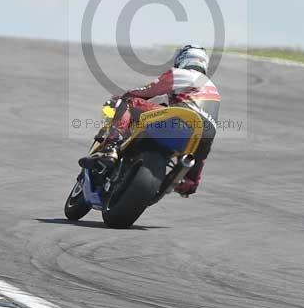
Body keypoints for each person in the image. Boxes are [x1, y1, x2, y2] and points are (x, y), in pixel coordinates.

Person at [80, 44, 221, 197]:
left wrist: (124, 95)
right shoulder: (214, 90)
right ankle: (186, 182)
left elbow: (148, 91)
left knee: (127, 102)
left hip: (183, 116)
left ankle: (111, 148)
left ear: (183, 59)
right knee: (191, 171)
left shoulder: (182, 73)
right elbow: (202, 152)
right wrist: (193, 178)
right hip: (205, 132)